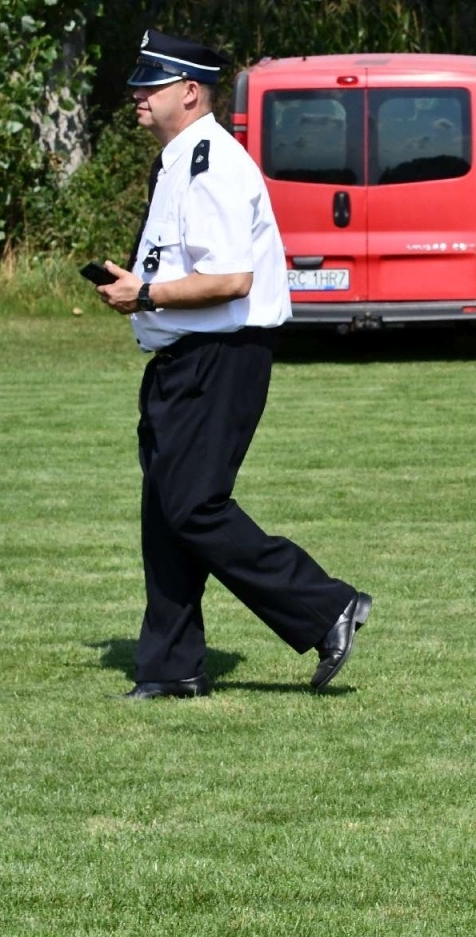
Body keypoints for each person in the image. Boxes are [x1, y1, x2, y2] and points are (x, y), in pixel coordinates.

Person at [92, 30, 369, 698]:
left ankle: (325, 605)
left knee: (192, 507)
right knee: (166, 511)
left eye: (151, 85)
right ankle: (170, 665)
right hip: (185, 355)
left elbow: (231, 279)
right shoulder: (182, 158)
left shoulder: (211, 162)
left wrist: (147, 293)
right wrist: (141, 289)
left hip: (219, 356)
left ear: (189, 92)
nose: (138, 95)